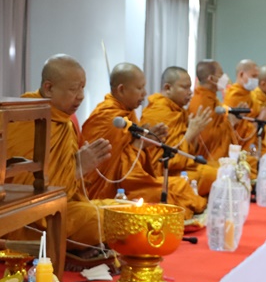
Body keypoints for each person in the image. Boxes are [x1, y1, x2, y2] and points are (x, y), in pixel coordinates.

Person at [5, 54, 113, 245]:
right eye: (73, 89)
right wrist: (78, 168)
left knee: (120, 209)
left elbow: (68, 186)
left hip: (63, 205)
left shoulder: (64, 121)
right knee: (99, 220)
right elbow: (24, 192)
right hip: (30, 220)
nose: (81, 96)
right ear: (49, 88)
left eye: (83, 87)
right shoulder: (27, 118)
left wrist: (76, 166)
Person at [81, 62, 206, 217]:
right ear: (121, 89)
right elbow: (120, 174)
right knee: (172, 196)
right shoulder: (108, 118)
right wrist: (139, 144)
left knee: (179, 187)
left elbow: (132, 163)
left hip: (131, 184)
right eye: (139, 88)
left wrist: (143, 144)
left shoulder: (128, 113)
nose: (145, 93)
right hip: (112, 191)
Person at [140, 66, 219, 195]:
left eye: (190, 87)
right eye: (185, 87)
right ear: (168, 88)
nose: (190, 92)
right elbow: (160, 162)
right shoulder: (157, 112)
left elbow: (189, 154)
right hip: (163, 174)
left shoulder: (180, 111)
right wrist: (190, 134)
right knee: (215, 176)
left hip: (181, 168)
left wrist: (194, 134)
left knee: (221, 169)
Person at [188, 59, 234, 164]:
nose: (225, 77)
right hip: (208, 159)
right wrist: (229, 123)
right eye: (221, 74)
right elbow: (205, 139)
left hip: (220, 156)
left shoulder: (213, 98)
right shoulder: (201, 102)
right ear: (211, 79)